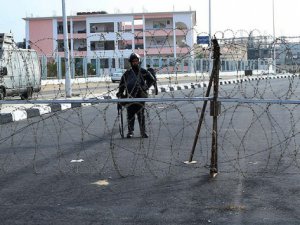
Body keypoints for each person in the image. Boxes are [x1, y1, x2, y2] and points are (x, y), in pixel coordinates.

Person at [116, 53, 156, 138]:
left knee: (141, 114)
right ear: (130, 62)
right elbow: (122, 84)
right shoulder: (127, 73)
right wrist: (120, 93)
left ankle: (143, 131)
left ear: (139, 61)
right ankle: (130, 131)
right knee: (130, 115)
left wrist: (145, 87)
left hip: (140, 97)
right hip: (129, 97)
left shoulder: (143, 71)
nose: (135, 63)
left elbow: (152, 80)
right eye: (133, 61)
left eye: (136, 61)